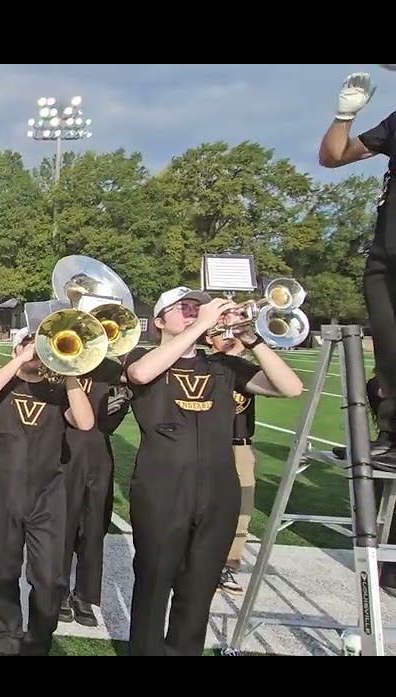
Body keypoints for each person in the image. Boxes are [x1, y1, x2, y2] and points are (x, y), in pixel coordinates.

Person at [122, 287, 303, 656]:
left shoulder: (224, 365)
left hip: (220, 489)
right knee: (155, 580)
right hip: (162, 488)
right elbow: (141, 375)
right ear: (159, 321)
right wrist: (202, 324)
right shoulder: (141, 355)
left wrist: (252, 339)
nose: (193, 311)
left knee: (200, 584)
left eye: (197, 307)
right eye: (182, 307)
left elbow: (291, 388)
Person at [0, 327, 94, 656]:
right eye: (29, 343)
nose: (36, 350)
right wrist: (21, 358)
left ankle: (39, 639)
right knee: (4, 568)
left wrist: (68, 373)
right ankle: (7, 634)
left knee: (51, 577)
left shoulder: (58, 391)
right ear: (16, 349)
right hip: (1, 490)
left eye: (41, 345)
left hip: (48, 494)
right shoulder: (2, 384)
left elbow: (84, 422)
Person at [318, 70, 394, 466]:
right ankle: (392, 437)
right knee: (388, 350)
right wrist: (344, 115)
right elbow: (332, 157)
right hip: (385, 253)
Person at [58, 356, 130, 627]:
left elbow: (111, 420)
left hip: (99, 451)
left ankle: (85, 594)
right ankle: (60, 591)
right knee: (63, 525)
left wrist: (122, 403)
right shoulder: (59, 361)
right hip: (66, 450)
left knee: (94, 527)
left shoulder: (111, 368)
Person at [197, 332, 259, 596]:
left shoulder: (247, 369)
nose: (229, 337)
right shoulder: (206, 366)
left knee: (241, 514)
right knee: (199, 508)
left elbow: (287, 384)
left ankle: (228, 565)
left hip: (240, 445)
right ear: (209, 339)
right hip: (208, 445)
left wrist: (253, 342)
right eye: (221, 333)